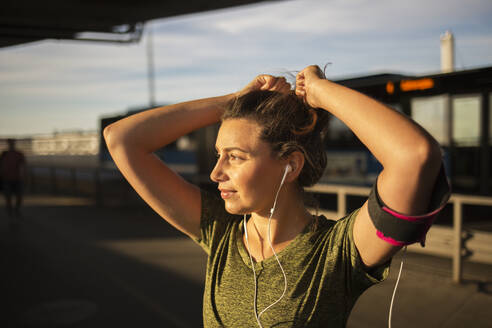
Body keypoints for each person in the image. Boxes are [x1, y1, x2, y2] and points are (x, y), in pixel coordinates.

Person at [104, 65, 450, 327]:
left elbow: (415, 155)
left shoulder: (336, 253)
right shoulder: (221, 233)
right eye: (218, 154)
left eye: (235, 156)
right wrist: (232, 103)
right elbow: (122, 139)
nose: (216, 173)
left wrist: (319, 90)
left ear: (291, 165)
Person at [1, 138, 27, 221]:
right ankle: (11, 213)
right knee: (8, 197)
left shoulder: (19, 154)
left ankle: (16, 210)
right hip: (7, 179)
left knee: (19, 196)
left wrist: (24, 176)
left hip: (17, 178)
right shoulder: (4, 154)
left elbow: (24, 166)